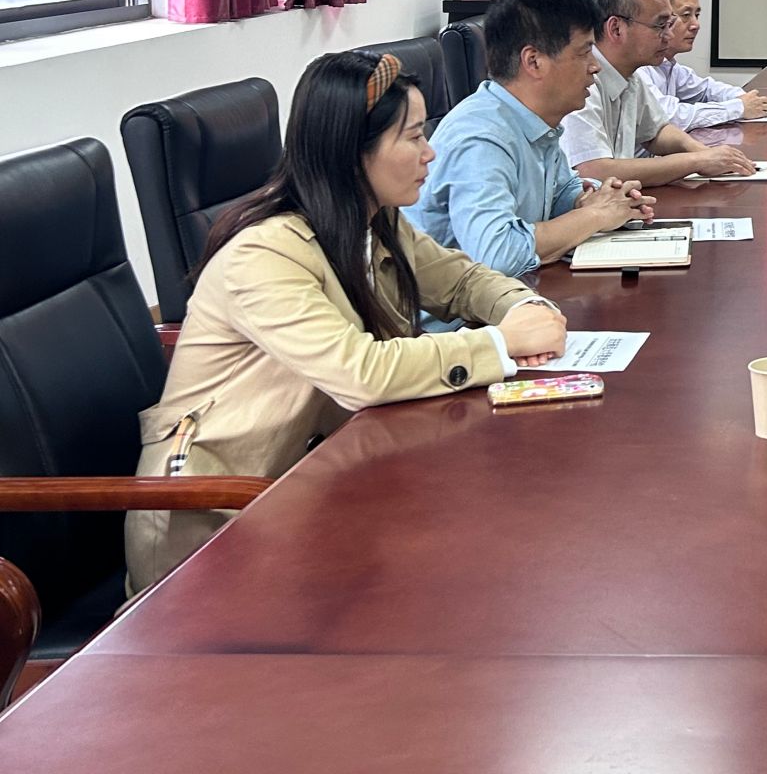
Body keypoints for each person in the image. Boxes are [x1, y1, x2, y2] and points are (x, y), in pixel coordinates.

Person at [126, 51, 569, 593]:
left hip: (314, 485)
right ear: (352, 151)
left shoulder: (373, 220)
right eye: (413, 137)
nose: (430, 152)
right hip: (215, 524)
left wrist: (523, 308)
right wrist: (500, 345)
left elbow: (460, 280)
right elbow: (359, 373)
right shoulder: (265, 253)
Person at [407, 0, 653, 302]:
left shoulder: (534, 119)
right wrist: (596, 215)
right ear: (534, 61)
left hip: (517, 300)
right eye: (584, 53)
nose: (595, 67)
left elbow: (561, 193)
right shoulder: (481, 137)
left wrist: (596, 198)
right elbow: (497, 256)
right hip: (457, 323)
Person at [560, 0, 756, 185]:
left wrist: (706, 153)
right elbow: (593, 170)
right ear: (616, 29)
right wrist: (696, 161)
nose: (668, 35)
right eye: (660, 26)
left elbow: (657, 131)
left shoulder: (631, 75)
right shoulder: (582, 80)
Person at [639, 0, 767, 133]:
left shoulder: (670, 67)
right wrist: (738, 107)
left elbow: (707, 89)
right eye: (686, 15)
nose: (696, 25)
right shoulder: (639, 68)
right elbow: (668, 116)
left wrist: (744, 98)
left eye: (697, 15)